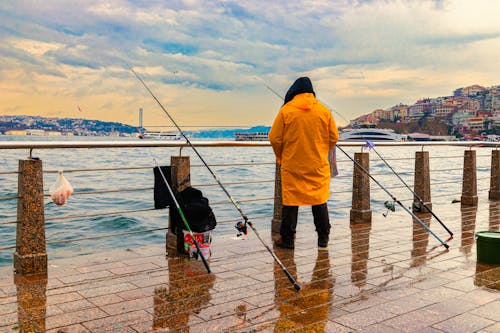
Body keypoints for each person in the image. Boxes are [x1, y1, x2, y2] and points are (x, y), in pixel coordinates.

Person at [269, 77, 338, 249]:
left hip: (293, 164)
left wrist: (281, 156)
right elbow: (334, 137)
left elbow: (274, 138)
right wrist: (322, 150)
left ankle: (288, 240)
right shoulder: (324, 111)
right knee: (319, 202)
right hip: (317, 164)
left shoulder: (286, 110)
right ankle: (323, 238)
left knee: (291, 203)